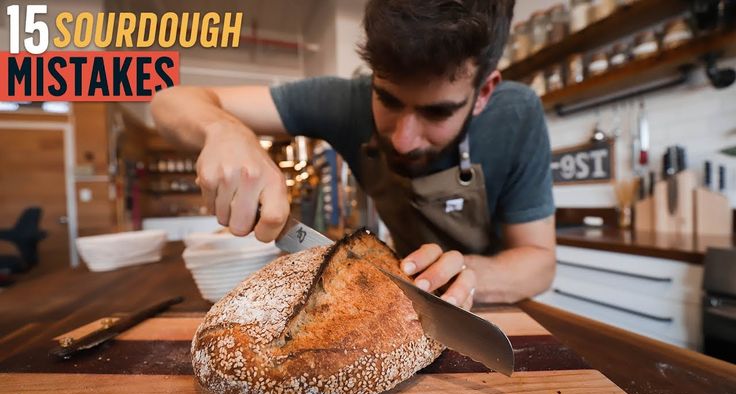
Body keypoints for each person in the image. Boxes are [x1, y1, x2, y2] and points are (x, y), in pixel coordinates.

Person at [151, 0, 556, 309]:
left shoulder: (516, 116)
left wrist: (470, 274)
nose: (403, 140)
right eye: (388, 100)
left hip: (495, 311)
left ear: (483, 92)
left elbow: (539, 261)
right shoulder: (344, 102)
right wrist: (222, 129)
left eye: (437, 112)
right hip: (402, 304)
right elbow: (170, 99)